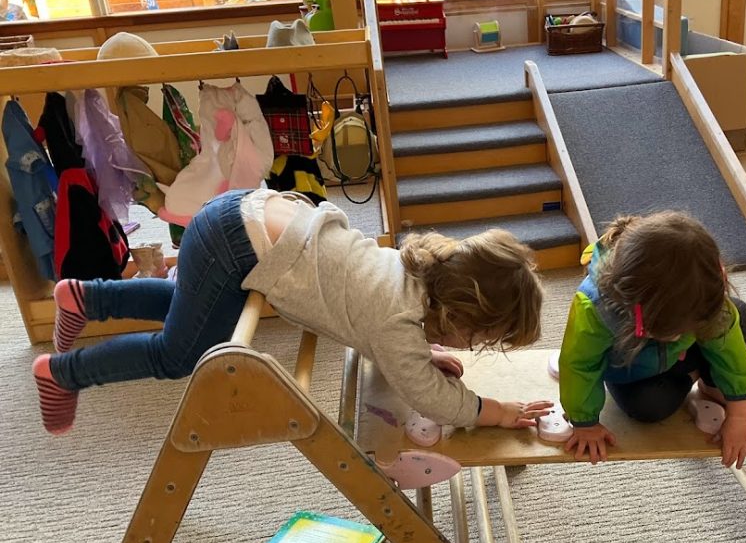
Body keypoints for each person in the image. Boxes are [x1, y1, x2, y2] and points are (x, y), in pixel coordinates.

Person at [33, 189, 552, 435]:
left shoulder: (412, 272)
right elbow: (430, 397)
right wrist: (498, 412)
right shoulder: (397, 320)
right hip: (236, 241)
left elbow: (379, 320)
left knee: (192, 307)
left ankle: (87, 296)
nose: (477, 347)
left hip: (244, 215)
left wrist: (426, 350)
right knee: (181, 353)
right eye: (484, 337)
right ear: (461, 311)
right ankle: (63, 374)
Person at [557, 211, 746, 468]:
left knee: (740, 315)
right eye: (670, 331)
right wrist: (584, 422)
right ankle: (694, 373)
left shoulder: (703, 291)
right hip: (633, 370)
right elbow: (578, 364)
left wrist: (740, 417)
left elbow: (731, 351)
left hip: (679, 353)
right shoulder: (594, 306)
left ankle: (708, 384)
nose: (676, 336)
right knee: (648, 408)